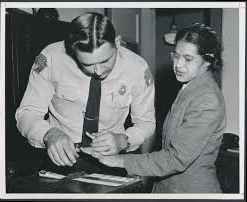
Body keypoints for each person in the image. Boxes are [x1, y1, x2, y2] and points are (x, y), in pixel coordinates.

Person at [82, 23, 227, 193]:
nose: (178, 65)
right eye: (176, 56)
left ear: (207, 61)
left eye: (188, 59)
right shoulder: (191, 88)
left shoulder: (206, 98)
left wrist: (117, 160)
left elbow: (176, 158)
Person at [15, 12, 155, 174]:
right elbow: (27, 113)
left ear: (117, 43)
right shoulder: (51, 57)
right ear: (72, 50)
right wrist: (49, 134)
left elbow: (146, 123)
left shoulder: (137, 68)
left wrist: (123, 140)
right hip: (58, 159)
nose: (98, 71)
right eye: (87, 64)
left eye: (105, 61)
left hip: (113, 160)